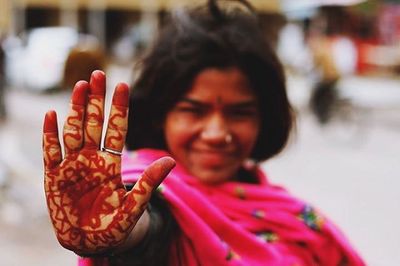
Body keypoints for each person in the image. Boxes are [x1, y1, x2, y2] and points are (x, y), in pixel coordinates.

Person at [42, 0, 365, 265]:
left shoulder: (295, 220)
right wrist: (124, 235)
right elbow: (152, 225)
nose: (216, 132)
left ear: (264, 117)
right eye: (193, 110)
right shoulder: (138, 193)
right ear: (159, 116)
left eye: (240, 113)